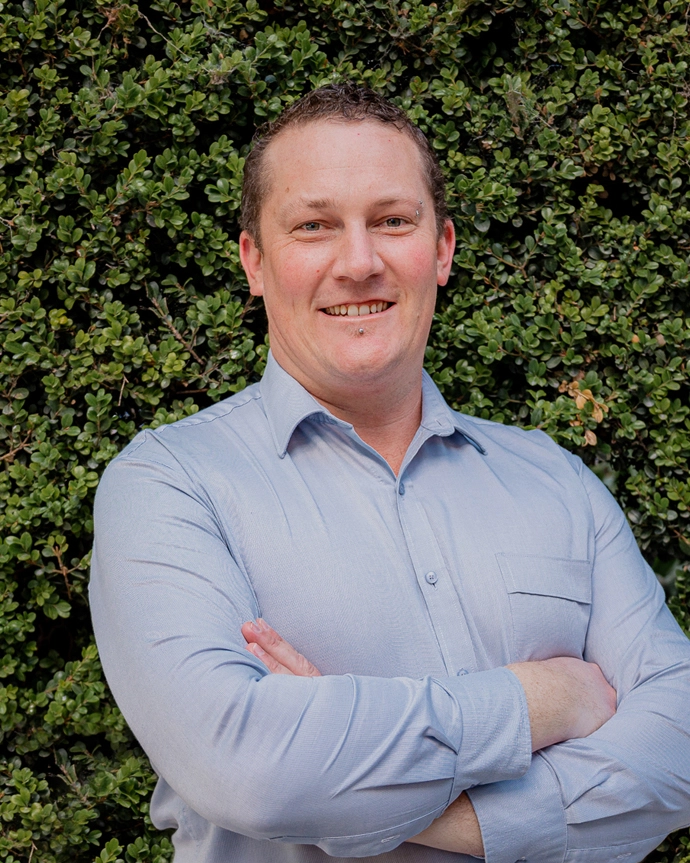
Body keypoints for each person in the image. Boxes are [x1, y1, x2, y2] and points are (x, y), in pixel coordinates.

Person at [89, 83, 690, 863]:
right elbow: (249, 769)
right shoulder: (169, 485)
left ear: (441, 250)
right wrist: (542, 699)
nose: (359, 262)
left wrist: (392, 799)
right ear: (255, 261)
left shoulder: (557, 481)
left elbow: (679, 739)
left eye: (392, 221)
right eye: (314, 226)